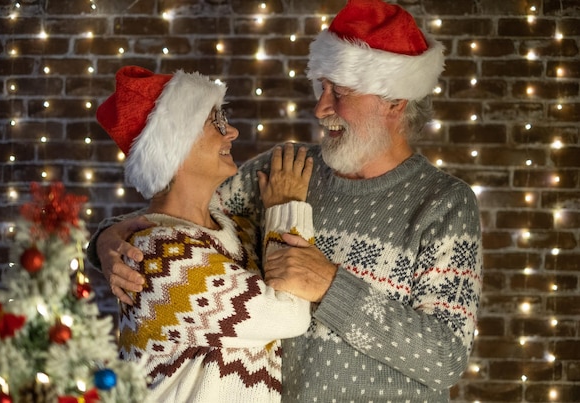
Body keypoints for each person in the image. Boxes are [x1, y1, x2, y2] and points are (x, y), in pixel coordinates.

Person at [88, 0, 483, 401]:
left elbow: (443, 358)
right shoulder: (287, 170)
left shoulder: (443, 204)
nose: (321, 107)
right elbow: (183, 210)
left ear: (394, 102)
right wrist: (105, 241)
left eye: (339, 93)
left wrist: (329, 285)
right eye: (322, 88)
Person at [95, 65, 316, 402]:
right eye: (215, 122)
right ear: (175, 146)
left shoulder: (237, 229)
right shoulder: (156, 256)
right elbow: (289, 314)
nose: (232, 132)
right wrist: (287, 206)